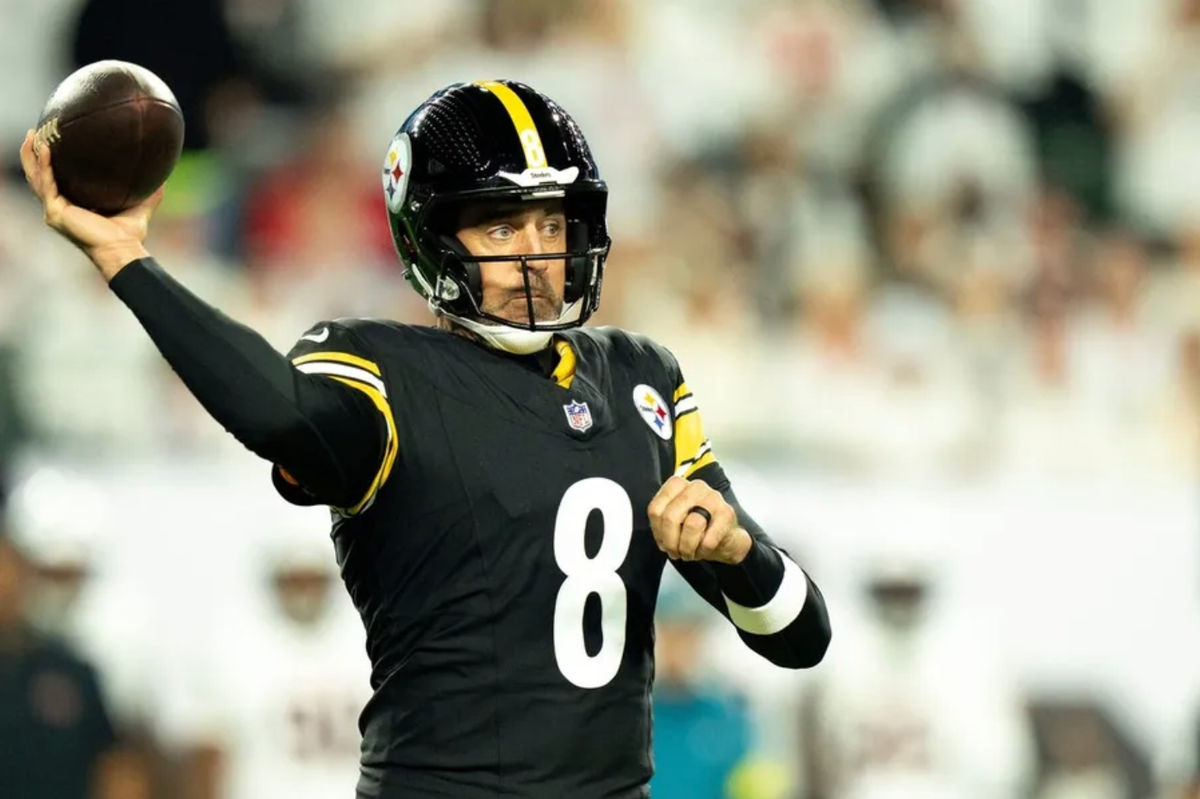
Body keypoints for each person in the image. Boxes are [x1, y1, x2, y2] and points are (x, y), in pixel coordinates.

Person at [20, 79, 831, 798]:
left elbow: (802, 638)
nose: (536, 255)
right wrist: (128, 260)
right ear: (432, 240)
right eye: (501, 229)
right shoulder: (384, 370)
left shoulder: (642, 377)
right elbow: (278, 414)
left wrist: (738, 554)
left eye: (550, 221)